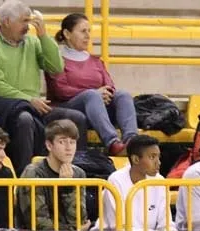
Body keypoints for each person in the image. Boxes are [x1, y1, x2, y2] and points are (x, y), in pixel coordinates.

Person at [0, 0, 87, 175]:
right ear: (7, 21)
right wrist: (29, 99)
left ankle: (76, 171)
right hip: (5, 106)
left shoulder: (33, 42)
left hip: (35, 106)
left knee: (77, 118)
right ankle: (26, 177)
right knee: (25, 119)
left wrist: (43, 36)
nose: (28, 27)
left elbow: (56, 67)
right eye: (24, 21)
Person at [46, 13, 137, 156]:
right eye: (83, 31)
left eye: (89, 31)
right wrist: (95, 93)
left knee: (123, 95)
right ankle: (112, 143)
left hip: (98, 109)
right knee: (91, 95)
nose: (88, 36)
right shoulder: (56, 60)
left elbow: (109, 85)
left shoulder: (95, 61)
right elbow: (60, 90)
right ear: (67, 34)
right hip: (68, 108)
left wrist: (106, 93)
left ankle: (132, 141)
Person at [17, 119, 89, 231]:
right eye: (62, 142)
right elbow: (38, 224)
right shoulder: (33, 173)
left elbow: (79, 221)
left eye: (72, 142)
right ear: (49, 145)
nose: (69, 148)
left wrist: (68, 188)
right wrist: (72, 230)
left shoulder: (79, 173)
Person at [102, 134, 167, 231]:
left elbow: (165, 224)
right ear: (135, 159)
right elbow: (118, 227)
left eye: (158, 157)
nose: (158, 162)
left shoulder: (160, 180)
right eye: (152, 157)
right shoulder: (115, 180)